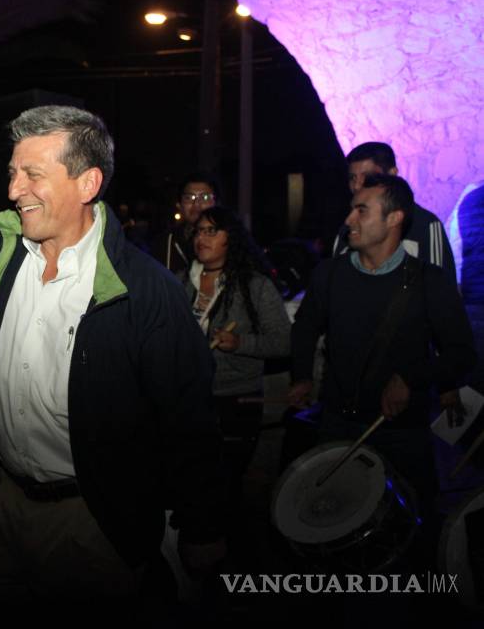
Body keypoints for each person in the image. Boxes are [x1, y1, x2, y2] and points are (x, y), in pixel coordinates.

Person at [0, 85, 224, 613]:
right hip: (2, 502)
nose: (15, 189)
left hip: (94, 519)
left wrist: (202, 526)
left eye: (32, 174)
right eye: (13, 172)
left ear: (88, 183)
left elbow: (188, 416)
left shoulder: (146, 291)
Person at [289, 174, 475, 534]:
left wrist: (412, 379)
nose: (349, 220)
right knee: (331, 527)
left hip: (402, 434)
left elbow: (462, 354)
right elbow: (305, 327)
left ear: (394, 218)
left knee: (411, 528)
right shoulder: (330, 274)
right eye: (351, 210)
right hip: (337, 427)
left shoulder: (430, 281)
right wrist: (301, 377)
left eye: (361, 210)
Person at [179, 206, 290, 557]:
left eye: (212, 231)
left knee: (225, 487)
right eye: (199, 231)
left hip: (236, 401)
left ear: (233, 238)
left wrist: (241, 343)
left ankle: (232, 564)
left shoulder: (254, 285)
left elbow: (283, 342)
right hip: (189, 400)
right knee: (193, 484)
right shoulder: (182, 282)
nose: (202, 238)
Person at [332, 142, 456, 280]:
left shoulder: (425, 224)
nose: (357, 185)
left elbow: (439, 285)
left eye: (367, 176)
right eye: (352, 178)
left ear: (392, 173)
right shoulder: (346, 228)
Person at [152, 172, 219, 273]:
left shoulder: (228, 242)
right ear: (179, 205)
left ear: (216, 203)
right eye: (189, 198)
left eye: (205, 197)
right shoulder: (165, 243)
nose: (197, 204)